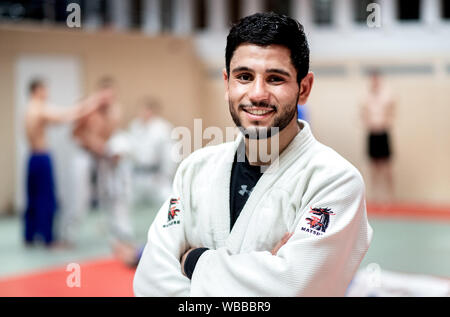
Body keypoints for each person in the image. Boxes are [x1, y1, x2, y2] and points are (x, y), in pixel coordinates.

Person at [134, 12, 373, 296]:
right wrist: (261, 272)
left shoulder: (335, 181)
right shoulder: (194, 170)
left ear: (304, 88)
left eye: (275, 79)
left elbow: (292, 288)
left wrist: (193, 261)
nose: (257, 94)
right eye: (244, 77)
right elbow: (149, 282)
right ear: (227, 84)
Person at [23, 79, 104, 247]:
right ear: (37, 90)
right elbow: (67, 115)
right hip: (42, 157)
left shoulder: (28, 109)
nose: (47, 93)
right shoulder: (39, 108)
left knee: (32, 198)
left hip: (31, 158)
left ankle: (29, 236)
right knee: (46, 198)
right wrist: (92, 102)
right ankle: (48, 239)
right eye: (45, 89)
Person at [72, 77, 134, 243]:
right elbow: (76, 134)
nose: (107, 100)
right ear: (99, 94)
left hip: (103, 157)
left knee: (115, 192)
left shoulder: (115, 110)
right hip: (86, 155)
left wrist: (109, 150)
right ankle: (70, 234)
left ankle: (119, 228)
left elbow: (111, 135)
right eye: (104, 96)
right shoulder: (88, 109)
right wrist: (93, 144)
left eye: (111, 96)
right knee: (80, 197)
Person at [128, 97, 177, 207]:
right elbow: (130, 154)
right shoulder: (135, 126)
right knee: (128, 205)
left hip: (156, 176)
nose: (143, 113)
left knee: (169, 203)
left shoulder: (163, 128)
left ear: (152, 111)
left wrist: (165, 175)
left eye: (146, 110)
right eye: (141, 110)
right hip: (138, 176)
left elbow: (170, 156)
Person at [361, 70, 395, 204]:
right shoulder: (366, 96)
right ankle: (375, 197)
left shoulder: (387, 95)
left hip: (383, 132)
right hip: (372, 133)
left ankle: (390, 197)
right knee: (373, 166)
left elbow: (392, 110)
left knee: (386, 167)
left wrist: (387, 122)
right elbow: (363, 112)